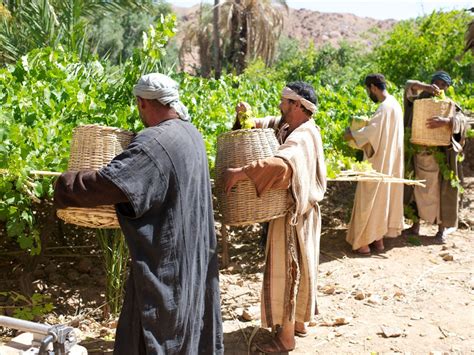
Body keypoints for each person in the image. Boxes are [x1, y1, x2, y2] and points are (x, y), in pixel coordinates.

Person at [54, 73, 224, 355]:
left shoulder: (153, 143)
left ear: (142, 102)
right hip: (192, 260)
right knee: (188, 328)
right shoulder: (190, 134)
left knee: (155, 332)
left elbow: (112, 183)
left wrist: (65, 186)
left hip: (165, 266)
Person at [223, 81, 327, 353]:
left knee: (288, 271)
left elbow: (281, 165)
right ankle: (299, 323)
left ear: (296, 105)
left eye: (284, 101)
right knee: (301, 270)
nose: (279, 105)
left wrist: (241, 173)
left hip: (295, 217)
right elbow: (260, 124)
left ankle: (285, 338)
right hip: (295, 214)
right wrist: (243, 115)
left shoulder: (304, 135)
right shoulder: (286, 126)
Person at [403, 71, 467, 242]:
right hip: (418, 155)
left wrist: (447, 122)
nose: (439, 87)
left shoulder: (448, 104)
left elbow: (463, 120)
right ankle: (415, 226)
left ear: (447, 88)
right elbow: (408, 85)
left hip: (440, 158)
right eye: (437, 83)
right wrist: (425, 87)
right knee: (416, 190)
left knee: (441, 193)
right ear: (432, 82)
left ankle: (441, 230)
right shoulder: (419, 100)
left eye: (443, 85)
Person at [344, 74, 404, 255]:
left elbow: (372, 133)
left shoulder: (384, 108)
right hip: (390, 161)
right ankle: (378, 241)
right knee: (382, 200)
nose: (368, 93)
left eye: (368, 89)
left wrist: (351, 134)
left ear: (373, 87)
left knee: (369, 200)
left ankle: (363, 243)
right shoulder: (395, 104)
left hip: (378, 163)